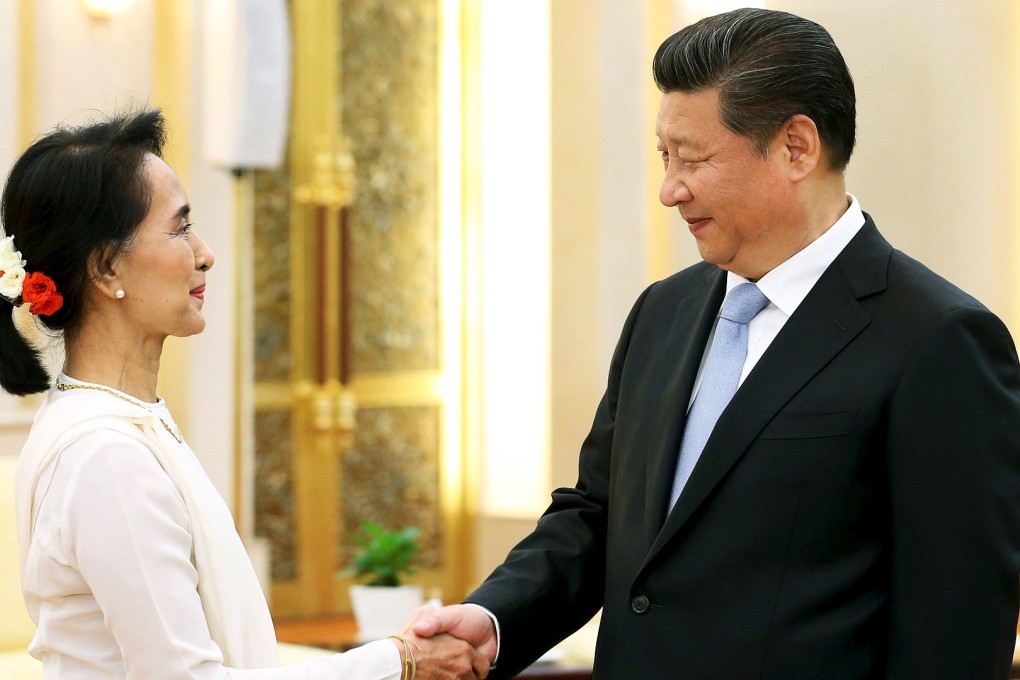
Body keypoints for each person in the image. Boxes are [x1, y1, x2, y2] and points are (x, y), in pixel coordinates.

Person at [411, 8, 1020, 679]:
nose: (670, 189)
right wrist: (497, 617)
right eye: (664, 157)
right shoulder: (662, 311)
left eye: (692, 159)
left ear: (796, 147)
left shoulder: (938, 339)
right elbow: (599, 513)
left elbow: (954, 629)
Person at [1, 109, 489, 680]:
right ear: (108, 269)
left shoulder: (122, 425)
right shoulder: (106, 455)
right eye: (180, 228)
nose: (205, 252)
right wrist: (398, 660)